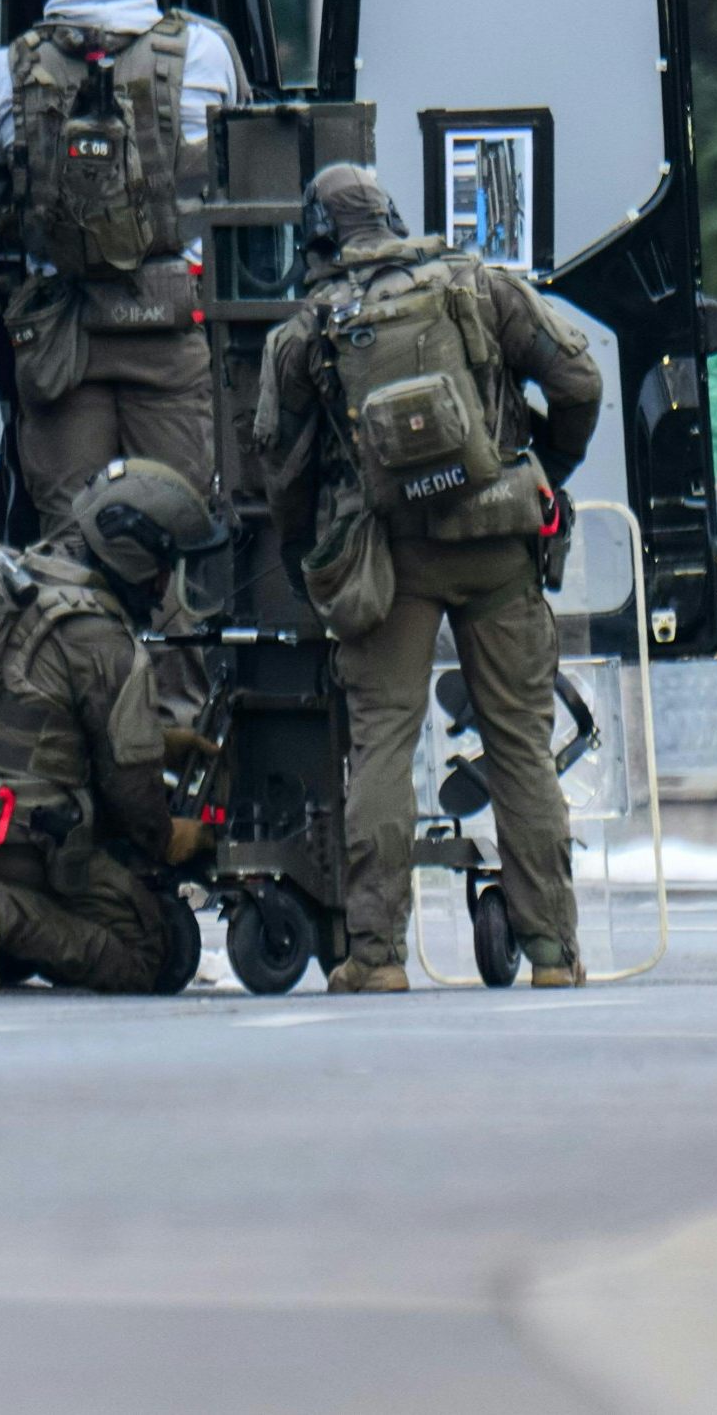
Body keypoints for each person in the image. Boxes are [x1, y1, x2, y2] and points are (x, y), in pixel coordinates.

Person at [249, 163, 602, 994]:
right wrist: (541, 466)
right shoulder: (481, 286)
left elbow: (280, 465)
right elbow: (579, 380)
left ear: (318, 241)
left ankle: (374, 956)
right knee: (519, 743)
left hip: (385, 561)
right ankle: (551, 952)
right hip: (496, 541)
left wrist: (313, 557)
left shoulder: (305, 332)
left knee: (381, 747)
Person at [0, 457, 221, 994]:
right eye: (166, 566)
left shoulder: (15, 578)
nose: (167, 585)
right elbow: (131, 794)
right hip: (19, 840)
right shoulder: (102, 640)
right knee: (145, 951)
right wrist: (171, 838)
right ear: (135, 554)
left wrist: (163, 745)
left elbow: (33, 720)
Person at [0, 0, 245, 504]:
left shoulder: (5, 68)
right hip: (170, 328)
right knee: (173, 530)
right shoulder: (208, 53)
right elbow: (242, 170)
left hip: (62, 341)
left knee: (70, 540)